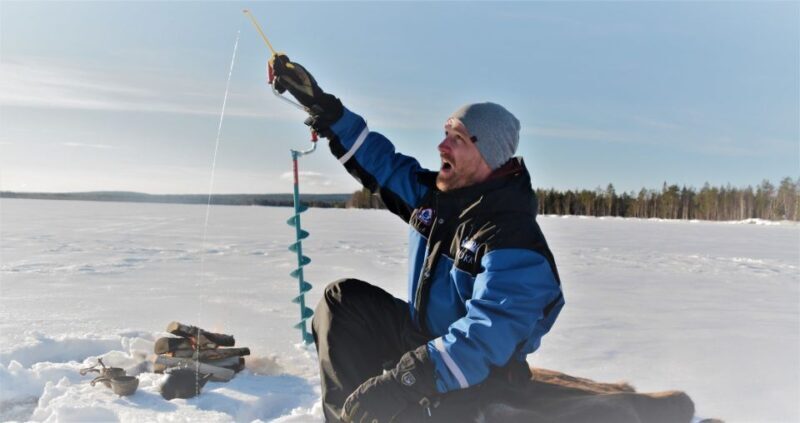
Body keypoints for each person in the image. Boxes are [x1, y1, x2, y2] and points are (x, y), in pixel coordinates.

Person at [269, 54, 565, 423]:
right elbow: (384, 165)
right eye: (445, 133)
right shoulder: (438, 199)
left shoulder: (514, 239)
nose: (442, 146)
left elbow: (486, 336)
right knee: (342, 302)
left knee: (435, 385)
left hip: (476, 379)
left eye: (457, 138)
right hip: (421, 338)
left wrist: (405, 378)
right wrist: (324, 108)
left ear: (488, 156)